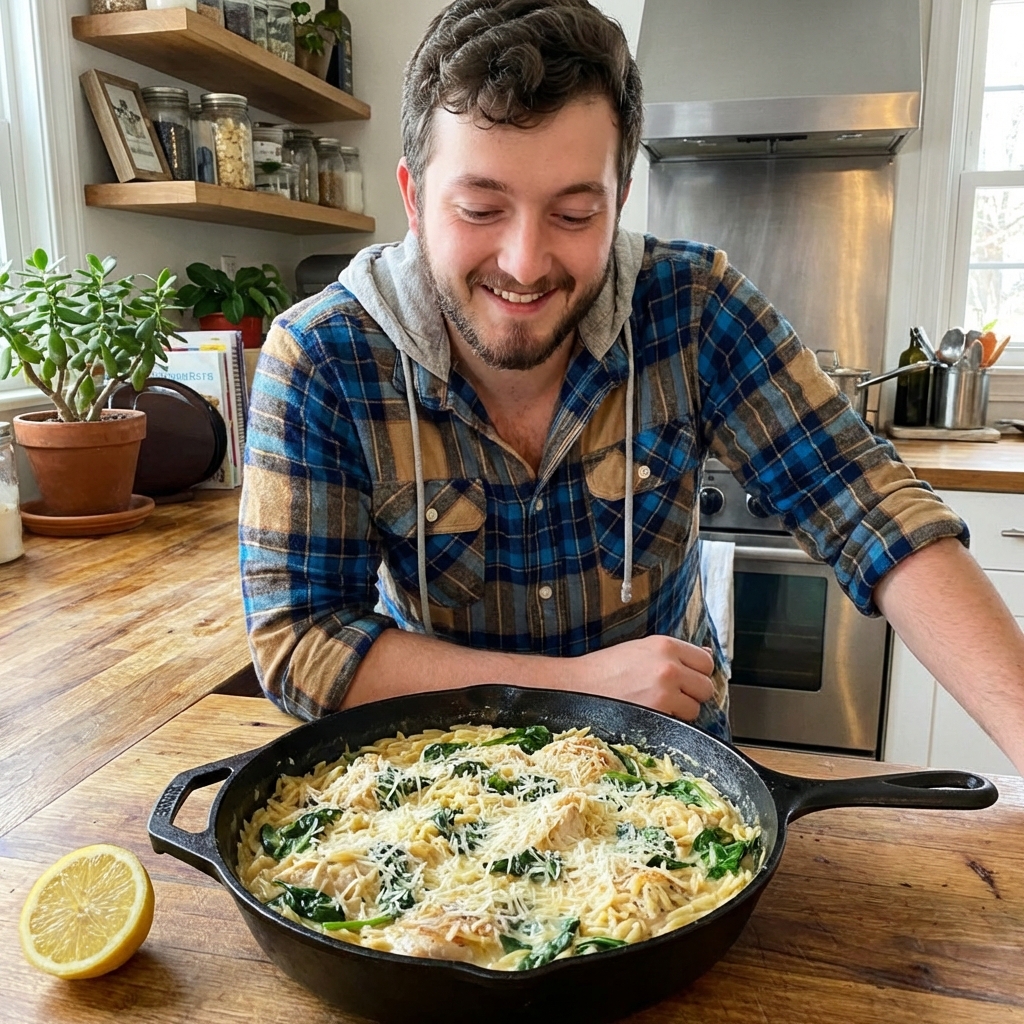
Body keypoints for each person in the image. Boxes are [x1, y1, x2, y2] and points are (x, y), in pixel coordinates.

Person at [240, 0, 1024, 769]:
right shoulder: (320, 359)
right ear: (413, 199)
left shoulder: (691, 308)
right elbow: (299, 643)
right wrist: (574, 690)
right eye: (481, 208)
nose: (523, 262)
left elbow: (872, 507)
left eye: (575, 214)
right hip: (445, 790)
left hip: (675, 785)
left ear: (618, 203)